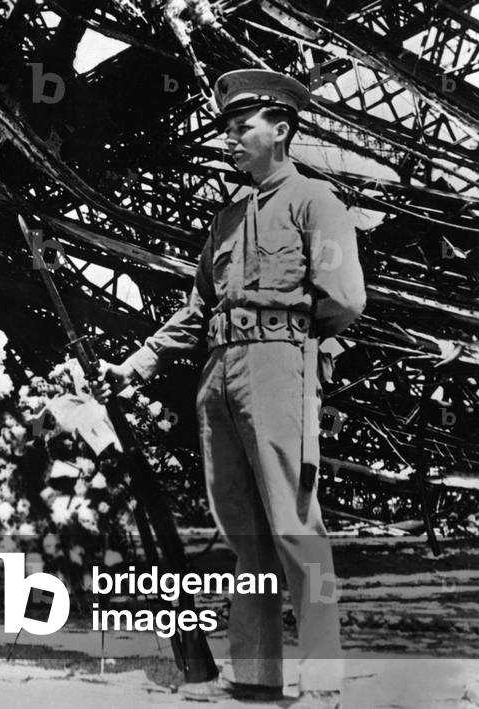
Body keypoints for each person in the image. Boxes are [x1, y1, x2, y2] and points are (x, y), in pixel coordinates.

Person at [94, 70, 365, 709]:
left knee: (297, 528)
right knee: (245, 535)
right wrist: (137, 362)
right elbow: (198, 309)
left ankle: (322, 678)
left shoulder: (314, 201)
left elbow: (346, 298)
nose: (230, 140)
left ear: (282, 131)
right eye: (226, 129)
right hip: (218, 373)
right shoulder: (225, 220)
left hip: (279, 368)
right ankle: (255, 677)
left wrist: (294, 341)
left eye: (242, 128)